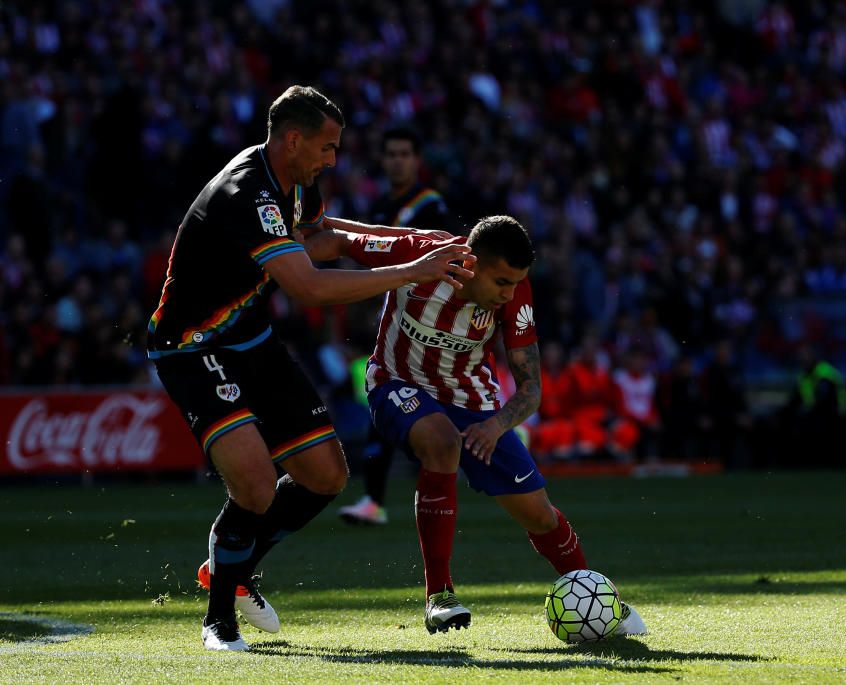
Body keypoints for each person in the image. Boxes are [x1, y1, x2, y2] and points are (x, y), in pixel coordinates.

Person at [146, 85, 472, 651]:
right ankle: (218, 617)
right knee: (254, 484)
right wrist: (411, 271)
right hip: (193, 346)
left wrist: (408, 243)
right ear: (292, 139)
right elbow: (309, 286)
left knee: (326, 476)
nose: (332, 159)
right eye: (327, 147)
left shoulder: (295, 181)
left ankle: (236, 566)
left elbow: (321, 238)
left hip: (251, 339)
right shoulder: (246, 191)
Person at [304, 214, 647, 635]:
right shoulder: (422, 254)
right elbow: (337, 241)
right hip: (395, 383)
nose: (509, 293)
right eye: (501, 282)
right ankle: (439, 595)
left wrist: (496, 426)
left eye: (516, 282)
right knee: (442, 443)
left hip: (474, 404)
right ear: (472, 262)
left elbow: (530, 389)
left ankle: (598, 599)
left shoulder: (516, 293)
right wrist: (281, 255)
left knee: (540, 516)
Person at [339, 127, 451, 526]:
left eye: (405, 153)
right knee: (385, 405)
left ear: (417, 160)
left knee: (401, 404)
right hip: (395, 321)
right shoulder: (386, 206)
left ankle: (500, 441)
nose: (397, 160)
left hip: (425, 324)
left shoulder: (431, 207)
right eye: (391, 154)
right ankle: (374, 499)